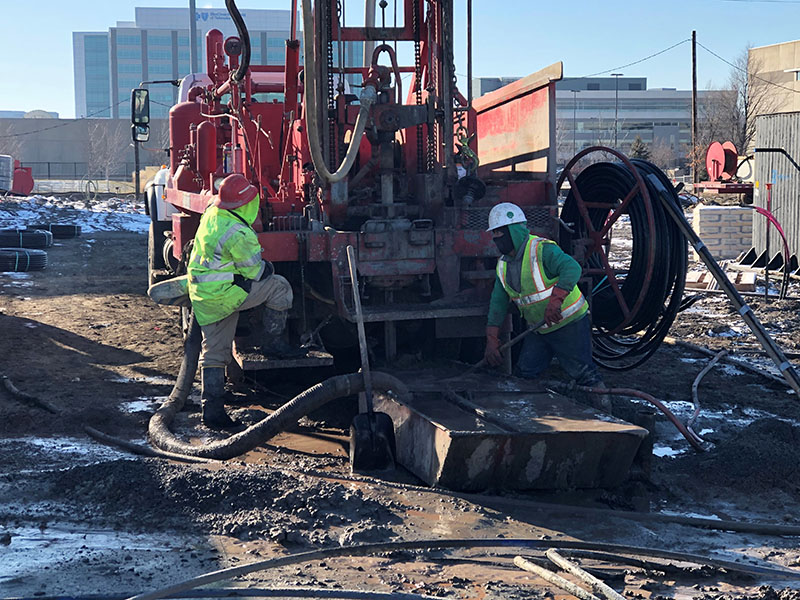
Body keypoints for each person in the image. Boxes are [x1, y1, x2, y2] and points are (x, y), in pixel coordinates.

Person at [187, 173, 304, 429]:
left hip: (204, 295)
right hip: (226, 295)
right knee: (280, 288)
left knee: (214, 353)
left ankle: (213, 410)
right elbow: (258, 272)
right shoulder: (239, 233)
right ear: (245, 205)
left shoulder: (212, 215)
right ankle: (272, 344)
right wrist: (271, 267)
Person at [484, 202, 609, 408]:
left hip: (568, 323)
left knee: (584, 374)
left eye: (500, 233)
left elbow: (572, 268)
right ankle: (530, 418)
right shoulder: (503, 265)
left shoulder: (541, 250)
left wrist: (556, 300)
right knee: (524, 375)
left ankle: (607, 416)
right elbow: (497, 303)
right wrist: (491, 339)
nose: (497, 239)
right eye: (494, 234)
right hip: (539, 329)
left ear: (514, 230)